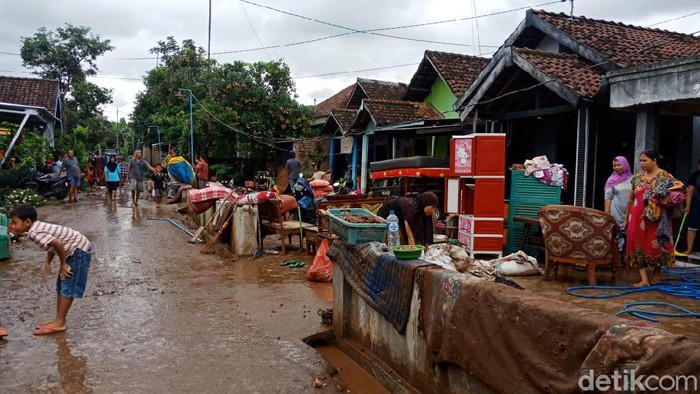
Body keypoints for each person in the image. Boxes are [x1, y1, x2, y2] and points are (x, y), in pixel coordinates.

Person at [8, 204, 92, 335]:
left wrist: (63, 264)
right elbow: (52, 244)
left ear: (27, 222)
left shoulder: (34, 233)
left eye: (14, 222)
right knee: (61, 284)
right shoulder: (36, 227)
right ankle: (59, 319)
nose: (12, 226)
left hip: (78, 250)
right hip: (74, 248)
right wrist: (48, 261)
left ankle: (59, 322)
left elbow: (58, 244)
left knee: (68, 285)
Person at [623, 148, 678, 287]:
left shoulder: (665, 177)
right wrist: (626, 218)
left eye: (645, 161)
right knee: (636, 245)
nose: (642, 163)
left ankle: (656, 272)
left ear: (654, 161)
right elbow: (631, 199)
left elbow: (678, 195)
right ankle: (644, 279)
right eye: (640, 161)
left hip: (657, 219)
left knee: (658, 245)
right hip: (636, 218)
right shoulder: (637, 178)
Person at [603, 156, 633, 261]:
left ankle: (626, 258)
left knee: (629, 234)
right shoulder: (611, 180)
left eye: (619, 165)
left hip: (629, 212)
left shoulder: (633, 179)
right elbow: (608, 197)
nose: (617, 167)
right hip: (615, 211)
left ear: (625, 165)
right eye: (614, 165)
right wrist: (607, 213)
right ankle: (616, 258)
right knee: (616, 234)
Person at [681, 159, 700, 255]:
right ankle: (689, 249)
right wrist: (687, 205)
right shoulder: (695, 175)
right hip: (697, 203)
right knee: (692, 226)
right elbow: (690, 191)